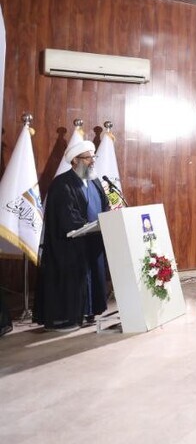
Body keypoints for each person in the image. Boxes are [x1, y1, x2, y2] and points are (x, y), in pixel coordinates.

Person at [35, 140, 111, 331]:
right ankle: (69, 317)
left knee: (93, 278)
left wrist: (107, 219)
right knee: (73, 283)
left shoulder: (95, 181)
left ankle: (89, 312)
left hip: (92, 242)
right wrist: (85, 225)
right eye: (88, 158)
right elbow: (66, 216)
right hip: (69, 246)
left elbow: (105, 205)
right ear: (75, 160)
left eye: (93, 157)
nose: (92, 161)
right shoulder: (62, 184)